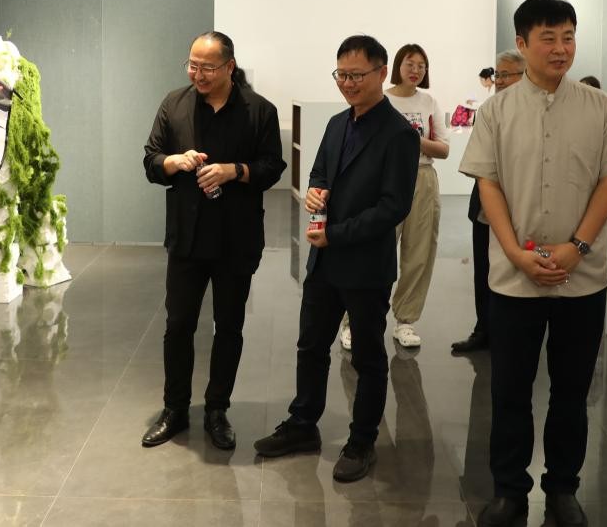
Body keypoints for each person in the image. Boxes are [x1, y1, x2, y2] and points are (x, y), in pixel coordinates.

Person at [459, 0, 607, 527]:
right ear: (522, 43)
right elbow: (488, 184)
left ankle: (562, 488)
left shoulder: (600, 107)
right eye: (548, 38)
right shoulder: (496, 111)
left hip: (581, 278)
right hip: (514, 278)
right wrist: (515, 252)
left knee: (571, 392)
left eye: (568, 37)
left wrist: (576, 247)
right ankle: (509, 490)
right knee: (509, 390)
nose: (561, 48)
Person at [254, 34, 419, 483]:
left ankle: (362, 440)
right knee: (311, 345)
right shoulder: (336, 123)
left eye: (356, 75)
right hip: (324, 262)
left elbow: (393, 207)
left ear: (381, 73)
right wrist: (315, 191)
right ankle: (303, 424)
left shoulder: (400, 135)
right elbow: (320, 171)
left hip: (365, 265)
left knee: (367, 357)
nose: (347, 83)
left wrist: (336, 234)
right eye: (341, 75)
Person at [140, 32, 285, 450]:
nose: (197, 74)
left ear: (229, 67)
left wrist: (233, 171)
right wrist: (173, 161)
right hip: (187, 236)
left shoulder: (260, 111)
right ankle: (174, 409)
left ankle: (217, 409)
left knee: (229, 327)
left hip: (237, 238)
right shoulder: (174, 104)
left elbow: (272, 167)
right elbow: (151, 159)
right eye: (192, 65)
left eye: (206, 67)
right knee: (178, 326)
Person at [339, 44, 447, 351]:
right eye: (410, 64)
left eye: (422, 66)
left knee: (419, 253)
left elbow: (443, 149)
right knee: (372, 249)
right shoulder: (381, 100)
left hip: (422, 178)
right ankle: (352, 321)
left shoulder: (429, 102)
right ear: (396, 66)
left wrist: (410, 138)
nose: (416, 70)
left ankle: (406, 320)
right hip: (383, 179)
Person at [452, 50, 524, 355]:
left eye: (506, 75)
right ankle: (483, 330)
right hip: (484, 208)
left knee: (514, 272)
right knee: (482, 271)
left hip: (519, 209)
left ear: (524, 75)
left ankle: (511, 335)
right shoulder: (489, 110)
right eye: (498, 75)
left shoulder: (532, 113)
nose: (500, 81)